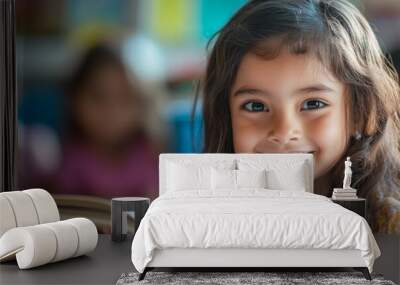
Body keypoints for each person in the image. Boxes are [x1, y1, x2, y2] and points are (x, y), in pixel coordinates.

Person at [195, 0, 400, 233]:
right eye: (255, 106)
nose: (283, 132)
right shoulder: (208, 227)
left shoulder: (390, 228)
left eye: (313, 104)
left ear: (361, 113)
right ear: (226, 116)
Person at [54, 43, 160, 201]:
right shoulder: (68, 162)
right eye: (99, 98)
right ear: (73, 99)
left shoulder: (148, 153)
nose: (111, 111)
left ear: (140, 103)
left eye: (124, 99)